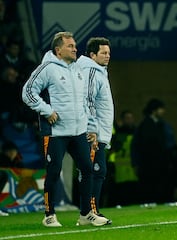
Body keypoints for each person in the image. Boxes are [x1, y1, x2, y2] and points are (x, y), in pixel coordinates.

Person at [21, 31, 108, 227]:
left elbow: (86, 101)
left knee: (87, 170)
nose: (75, 48)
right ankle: (49, 215)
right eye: (70, 46)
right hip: (56, 132)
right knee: (54, 172)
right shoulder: (47, 68)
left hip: (79, 132)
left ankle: (86, 214)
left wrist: (91, 127)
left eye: (75, 45)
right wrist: (46, 110)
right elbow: (27, 92)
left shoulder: (78, 70)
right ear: (58, 50)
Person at [77, 37, 114, 224]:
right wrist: (92, 130)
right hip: (93, 133)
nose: (108, 56)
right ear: (92, 55)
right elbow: (88, 101)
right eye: (103, 53)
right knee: (95, 171)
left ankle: (88, 213)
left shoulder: (99, 71)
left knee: (96, 171)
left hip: (99, 132)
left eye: (108, 53)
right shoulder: (91, 71)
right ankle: (90, 212)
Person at [132, 98, 177, 204]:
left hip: (159, 162)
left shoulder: (159, 125)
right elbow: (137, 146)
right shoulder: (146, 126)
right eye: (160, 109)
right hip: (150, 163)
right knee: (151, 189)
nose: (163, 111)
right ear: (154, 110)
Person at [106, 110, 139, 207]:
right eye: (127, 118)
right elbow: (112, 151)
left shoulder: (137, 133)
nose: (129, 120)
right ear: (122, 120)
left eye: (131, 118)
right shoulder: (117, 135)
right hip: (120, 171)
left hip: (133, 170)